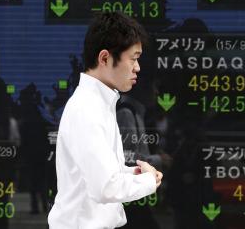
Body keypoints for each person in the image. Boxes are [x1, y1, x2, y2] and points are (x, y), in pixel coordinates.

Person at [48, 12, 163, 228]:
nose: (137, 67)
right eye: (133, 58)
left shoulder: (97, 104)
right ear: (105, 58)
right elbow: (106, 187)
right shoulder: (87, 109)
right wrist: (148, 181)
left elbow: (99, 176)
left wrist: (134, 173)